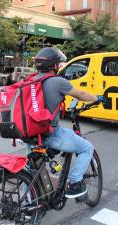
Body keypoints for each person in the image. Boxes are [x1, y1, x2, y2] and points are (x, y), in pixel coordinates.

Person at [32, 47, 104, 198]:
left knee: (33, 171)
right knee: (87, 148)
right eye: (59, 63)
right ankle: (74, 182)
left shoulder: (31, 81)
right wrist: (97, 98)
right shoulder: (57, 81)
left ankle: (31, 199)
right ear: (54, 66)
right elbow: (81, 94)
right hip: (49, 134)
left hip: (29, 133)